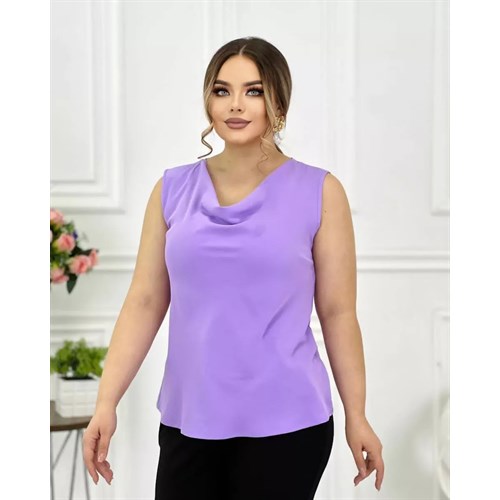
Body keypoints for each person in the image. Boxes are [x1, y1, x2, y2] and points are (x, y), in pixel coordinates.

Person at [82, 36, 384, 499]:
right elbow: (144, 302)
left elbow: (338, 313)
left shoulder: (320, 192)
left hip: (289, 424)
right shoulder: (171, 190)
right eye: (222, 90)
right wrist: (106, 401)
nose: (235, 105)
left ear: (279, 100)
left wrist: (356, 414)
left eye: (254, 91)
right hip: (189, 421)